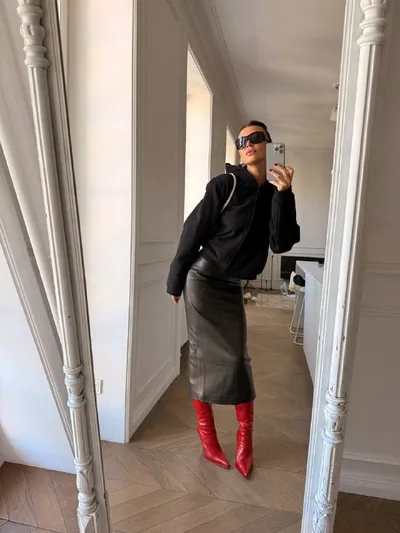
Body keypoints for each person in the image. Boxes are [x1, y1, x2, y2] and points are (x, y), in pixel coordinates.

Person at [166, 120, 300, 478]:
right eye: (242, 141)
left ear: (267, 143)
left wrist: (285, 194)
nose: (248, 144)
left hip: (231, 285)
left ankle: (245, 441)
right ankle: (208, 439)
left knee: (238, 359)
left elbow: (281, 243)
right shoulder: (225, 184)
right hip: (202, 279)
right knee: (201, 357)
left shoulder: (274, 193)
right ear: (240, 150)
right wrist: (176, 278)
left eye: (255, 138)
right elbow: (193, 229)